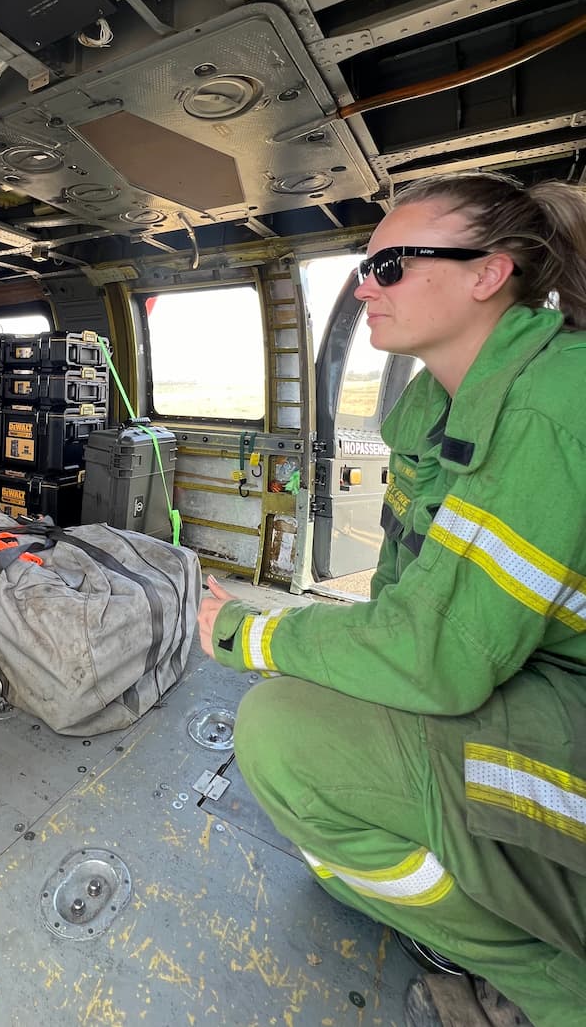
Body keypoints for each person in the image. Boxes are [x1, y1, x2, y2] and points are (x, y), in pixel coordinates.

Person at [199, 173, 586, 1027]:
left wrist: (248, 632)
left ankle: (554, 987)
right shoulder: (433, 408)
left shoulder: (559, 402)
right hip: (541, 681)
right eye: (365, 265)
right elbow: (403, 599)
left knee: (281, 736)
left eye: (394, 264)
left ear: (489, 274)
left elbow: (433, 657)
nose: (365, 284)